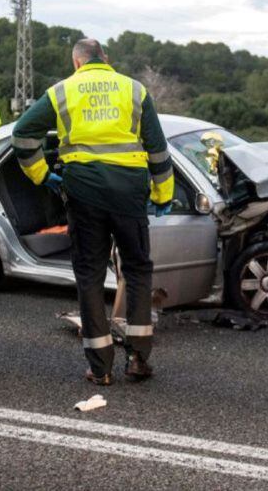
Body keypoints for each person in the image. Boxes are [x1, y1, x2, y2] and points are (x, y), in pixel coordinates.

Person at [12, 38, 174, 385]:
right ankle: (138, 359)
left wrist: (42, 175)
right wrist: (163, 193)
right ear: (107, 59)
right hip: (129, 194)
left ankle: (100, 368)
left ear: (76, 63)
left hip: (83, 193)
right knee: (137, 270)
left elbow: (23, 134)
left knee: (89, 276)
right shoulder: (134, 90)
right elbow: (158, 150)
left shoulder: (62, 92)